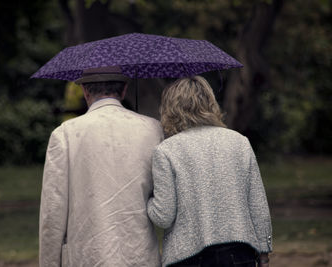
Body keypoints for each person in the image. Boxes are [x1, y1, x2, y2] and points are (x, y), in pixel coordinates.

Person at [39, 66, 163, 267]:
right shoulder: (153, 129)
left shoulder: (65, 134)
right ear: (123, 90)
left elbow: (52, 212)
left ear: (85, 91)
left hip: (87, 257)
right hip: (139, 256)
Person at [147, 76, 272, 267]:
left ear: (170, 108)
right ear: (210, 102)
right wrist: (263, 253)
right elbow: (258, 204)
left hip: (188, 257)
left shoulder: (166, 150)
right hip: (240, 254)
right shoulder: (239, 142)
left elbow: (163, 217)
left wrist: (148, 200)